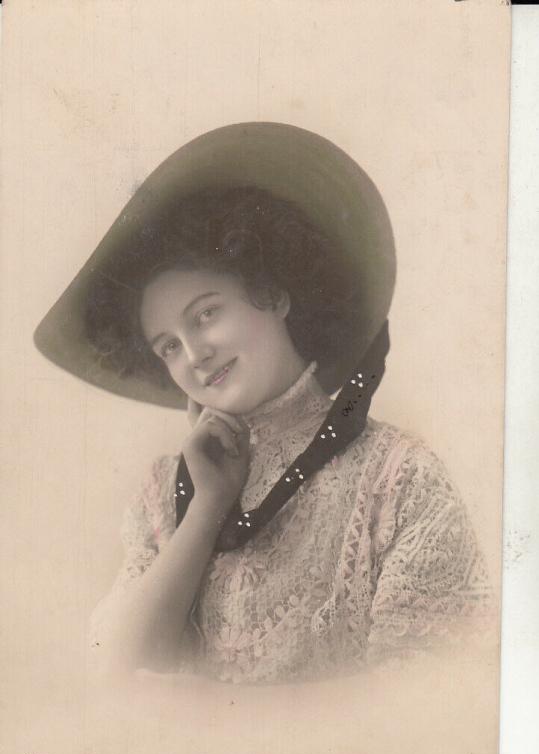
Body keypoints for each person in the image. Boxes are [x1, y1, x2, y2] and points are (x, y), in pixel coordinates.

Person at [34, 123, 490, 685]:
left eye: (206, 314)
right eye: (169, 346)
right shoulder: (162, 496)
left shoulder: (401, 477)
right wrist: (207, 507)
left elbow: (423, 709)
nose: (195, 355)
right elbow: (114, 679)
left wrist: (208, 718)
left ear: (272, 295)